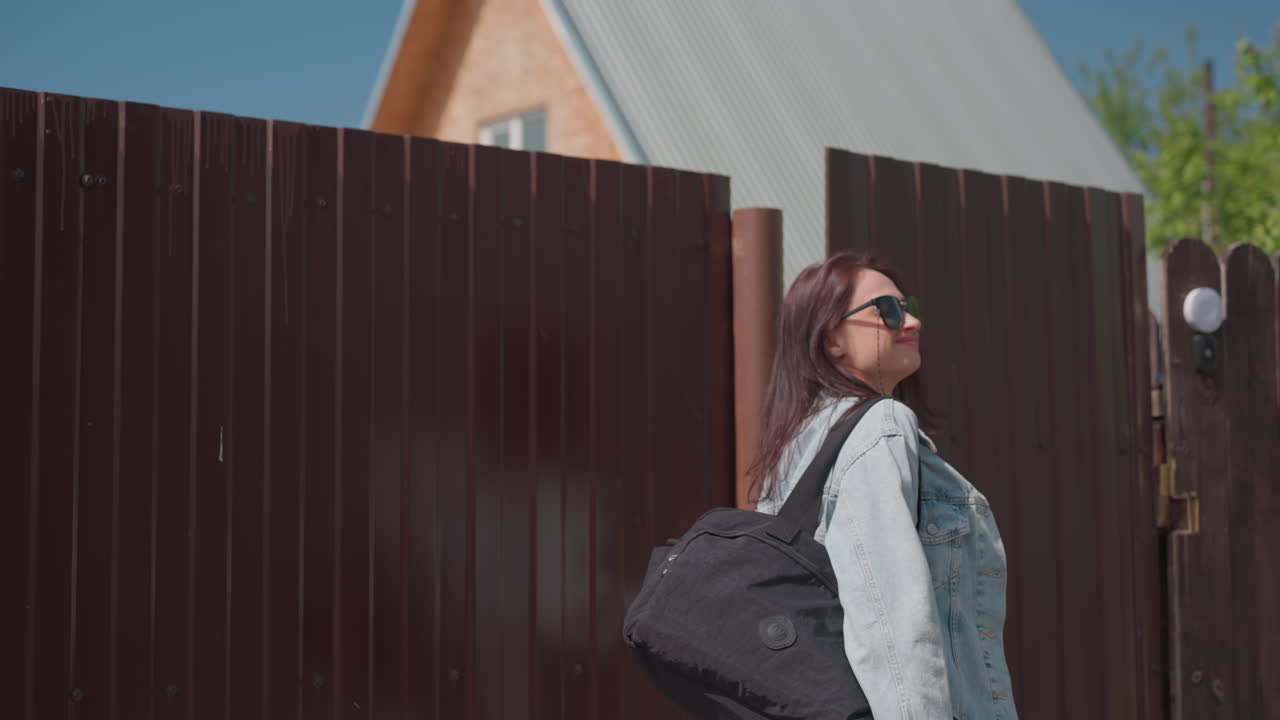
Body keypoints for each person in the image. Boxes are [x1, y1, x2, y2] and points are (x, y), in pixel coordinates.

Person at [751, 251, 1018, 720]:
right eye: (888, 310)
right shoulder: (881, 425)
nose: (911, 320)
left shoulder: (795, 445)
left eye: (907, 305)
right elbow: (892, 624)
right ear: (832, 338)